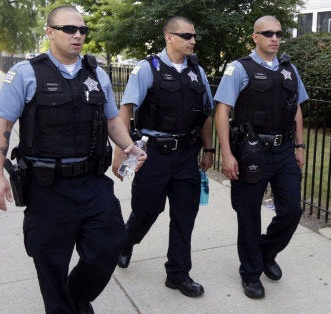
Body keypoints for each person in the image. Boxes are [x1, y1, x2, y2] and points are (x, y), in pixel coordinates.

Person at [0, 5, 146, 313]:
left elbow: (112, 120)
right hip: (47, 189)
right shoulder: (26, 73)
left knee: (109, 245)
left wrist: (130, 147)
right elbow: (1, 126)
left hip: (92, 184)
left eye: (82, 30)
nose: (78, 36)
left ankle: (76, 296)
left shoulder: (96, 73)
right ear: (49, 32)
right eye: (69, 29)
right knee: (50, 263)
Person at [111, 16, 214, 298]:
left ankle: (178, 274)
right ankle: (125, 242)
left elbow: (206, 114)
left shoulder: (198, 71)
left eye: (194, 36)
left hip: (186, 156)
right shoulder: (146, 68)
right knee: (146, 211)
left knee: (185, 216)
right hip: (153, 155)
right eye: (186, 36)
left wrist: (209, 149)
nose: (193, 41)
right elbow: (126, 111)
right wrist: (119, 155)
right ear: (169, 37)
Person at [213, 15, 308, 299]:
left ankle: (266, 251)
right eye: (268, 33)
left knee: (292, 211)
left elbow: (297, 109)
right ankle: (251, 273)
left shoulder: (289, 69)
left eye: (278, 33)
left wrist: (300, 146)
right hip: (250, 151)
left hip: (283, 150)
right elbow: (221, 111)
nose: (275, 38)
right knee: (249, 215)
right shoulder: (239, 68)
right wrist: (226, 154)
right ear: (255, 37)